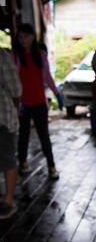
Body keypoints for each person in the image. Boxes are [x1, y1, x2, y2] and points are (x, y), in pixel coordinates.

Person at [12, 23, 63, 180]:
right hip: (22, 103)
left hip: (39, 102)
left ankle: (52, 166)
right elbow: (12, 80)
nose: (23, 39)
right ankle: (23, 162)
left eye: (26, 36)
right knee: (24, 134)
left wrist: (57, 93)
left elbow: (47, 76)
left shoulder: (40, 54)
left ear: (33, 36)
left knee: (44, 135)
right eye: (20, 37)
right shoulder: (14, 56)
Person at [0, 48, 22, 219]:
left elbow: (15, 90)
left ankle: (8, 201)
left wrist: (16, 110)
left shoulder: (2, 57)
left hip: (2, 117)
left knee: (7, 157)